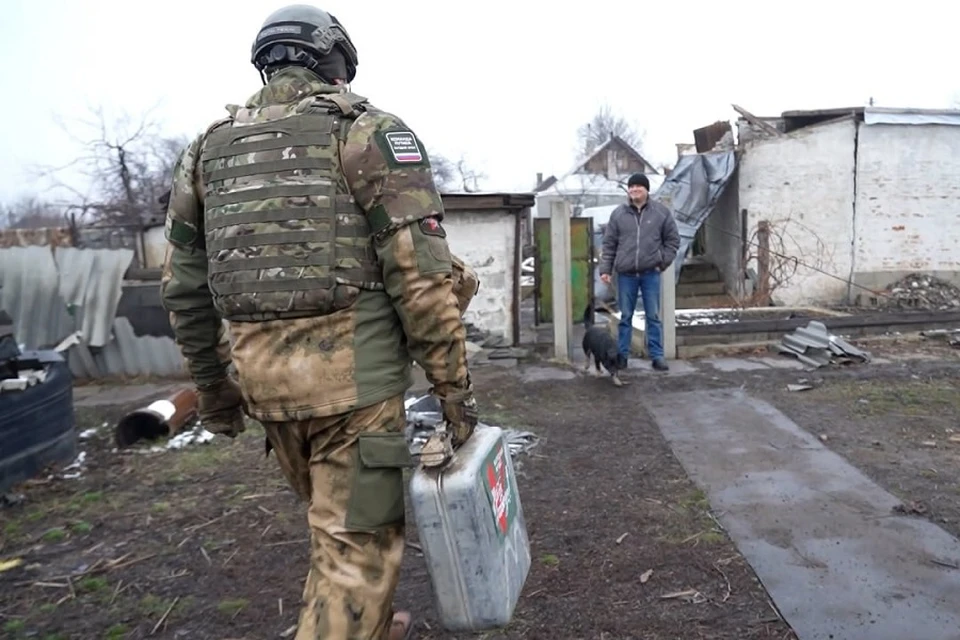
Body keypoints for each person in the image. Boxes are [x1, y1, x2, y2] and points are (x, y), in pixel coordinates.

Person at [159, 5, 480, 639]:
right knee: (355, 554)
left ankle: (369, 624)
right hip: (353, 395)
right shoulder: (367, 133)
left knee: (335, 539)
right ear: (336, 63)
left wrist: (218, 391)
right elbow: (420, 276)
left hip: (269, 394)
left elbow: (185, 288)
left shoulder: (205, 150)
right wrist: (455, 393)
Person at [598, 173, 680, 372]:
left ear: (646, 190)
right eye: (631, 187)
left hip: (650, 273)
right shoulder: (618, 214)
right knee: (625, 316)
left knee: (653, 316)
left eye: (638, 187)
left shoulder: (660, 213)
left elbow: (673, 241)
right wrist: (605, 269)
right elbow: (609, 245)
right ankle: (622, 356)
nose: (634, 190)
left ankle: (657, 356)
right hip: (625, 275)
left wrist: (662, 262)